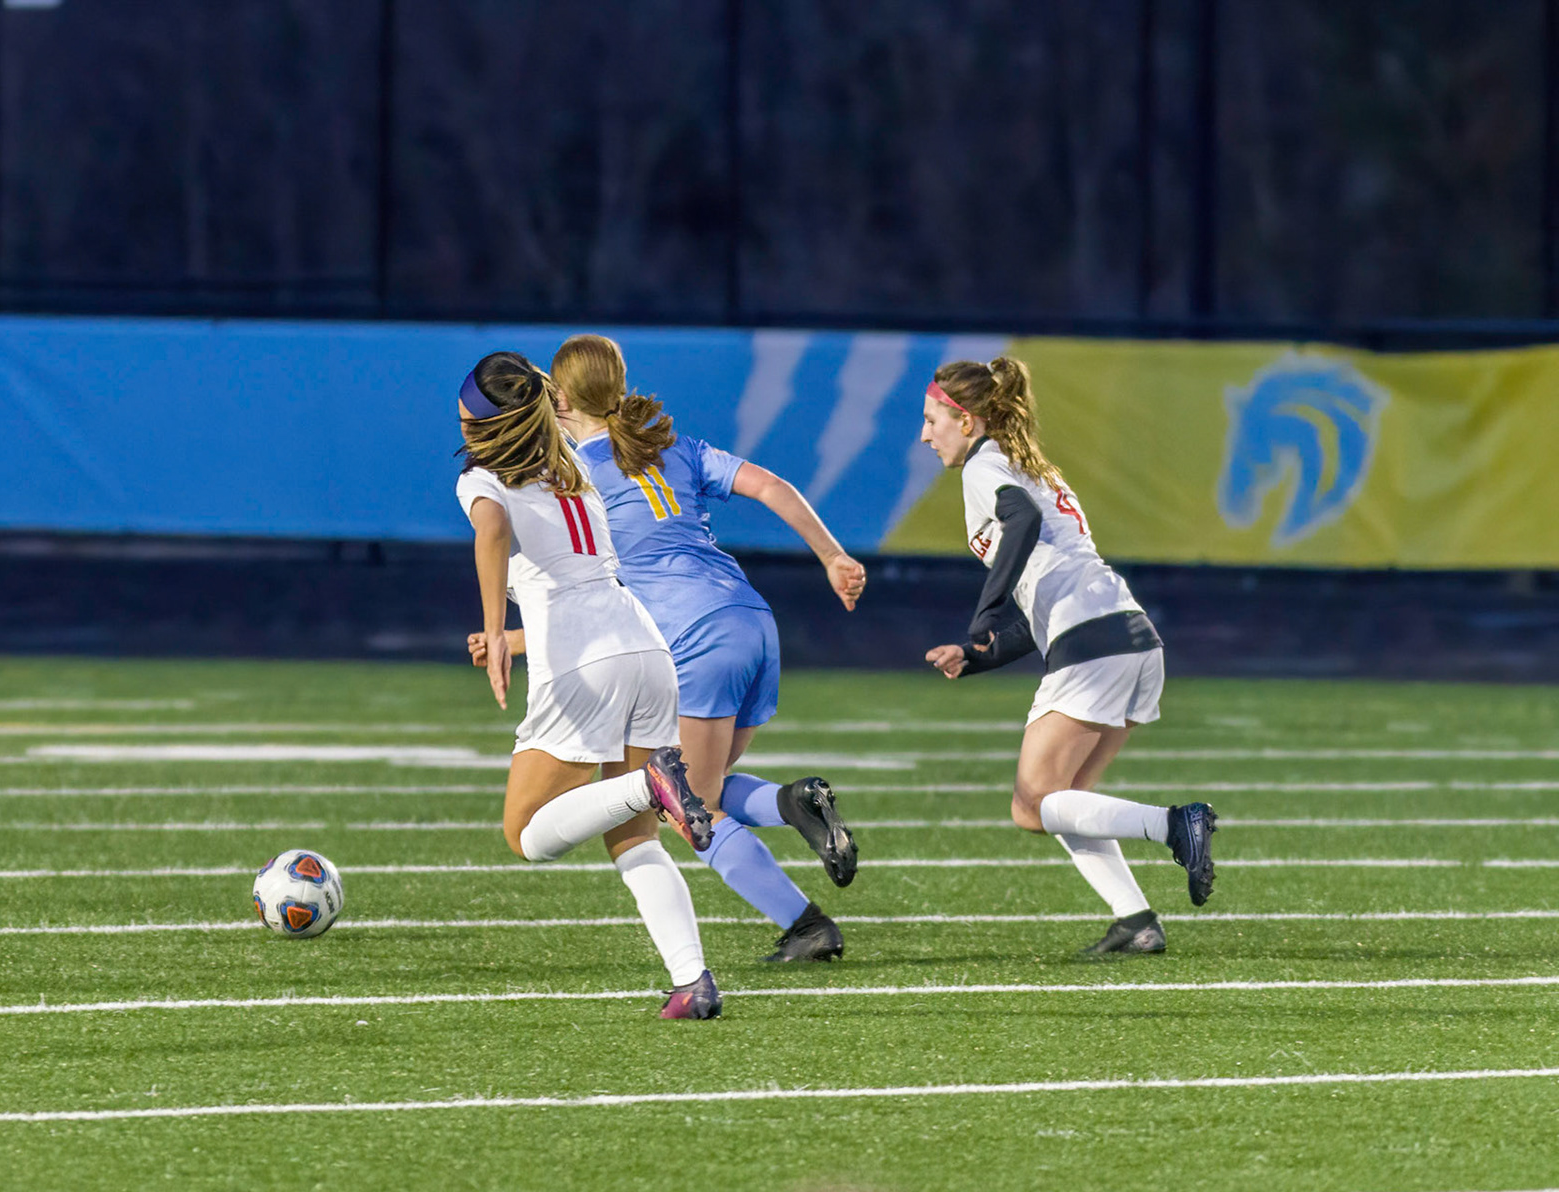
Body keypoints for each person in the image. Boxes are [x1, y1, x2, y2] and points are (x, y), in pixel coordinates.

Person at [475, 333, 866, 963]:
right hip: (749, 620)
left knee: (683, 803)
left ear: (561, 397)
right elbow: (770, 485)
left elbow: (601, 589)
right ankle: (793, 815)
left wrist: (510, 635)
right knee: (700, 788)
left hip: (688, 636)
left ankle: (806, 914)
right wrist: (833, 556)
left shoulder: (574, 475)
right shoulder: (673, 447)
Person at [917, 355, 1217, 956]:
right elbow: (1042, 604)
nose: (926, 435)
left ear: (966, 420)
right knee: (1066, 801)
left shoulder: (985, 465)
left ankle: (1173, 824)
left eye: (931, 420)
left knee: (1032, 806)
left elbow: (1021, 520)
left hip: (1092, 645)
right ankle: (1135, 921)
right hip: (1129, 637)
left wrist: (984, 612)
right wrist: (978, 654)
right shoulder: (1031, 466)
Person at [455, 350, 722, 1018]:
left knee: (526, 835)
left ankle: (650, 784)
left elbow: (492, 528)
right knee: (633, 837)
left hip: (582, 659)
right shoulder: (570, 461)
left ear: (484, 424)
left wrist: (495, 630)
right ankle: (692, 980)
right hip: (644, 646)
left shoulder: (483, 476)